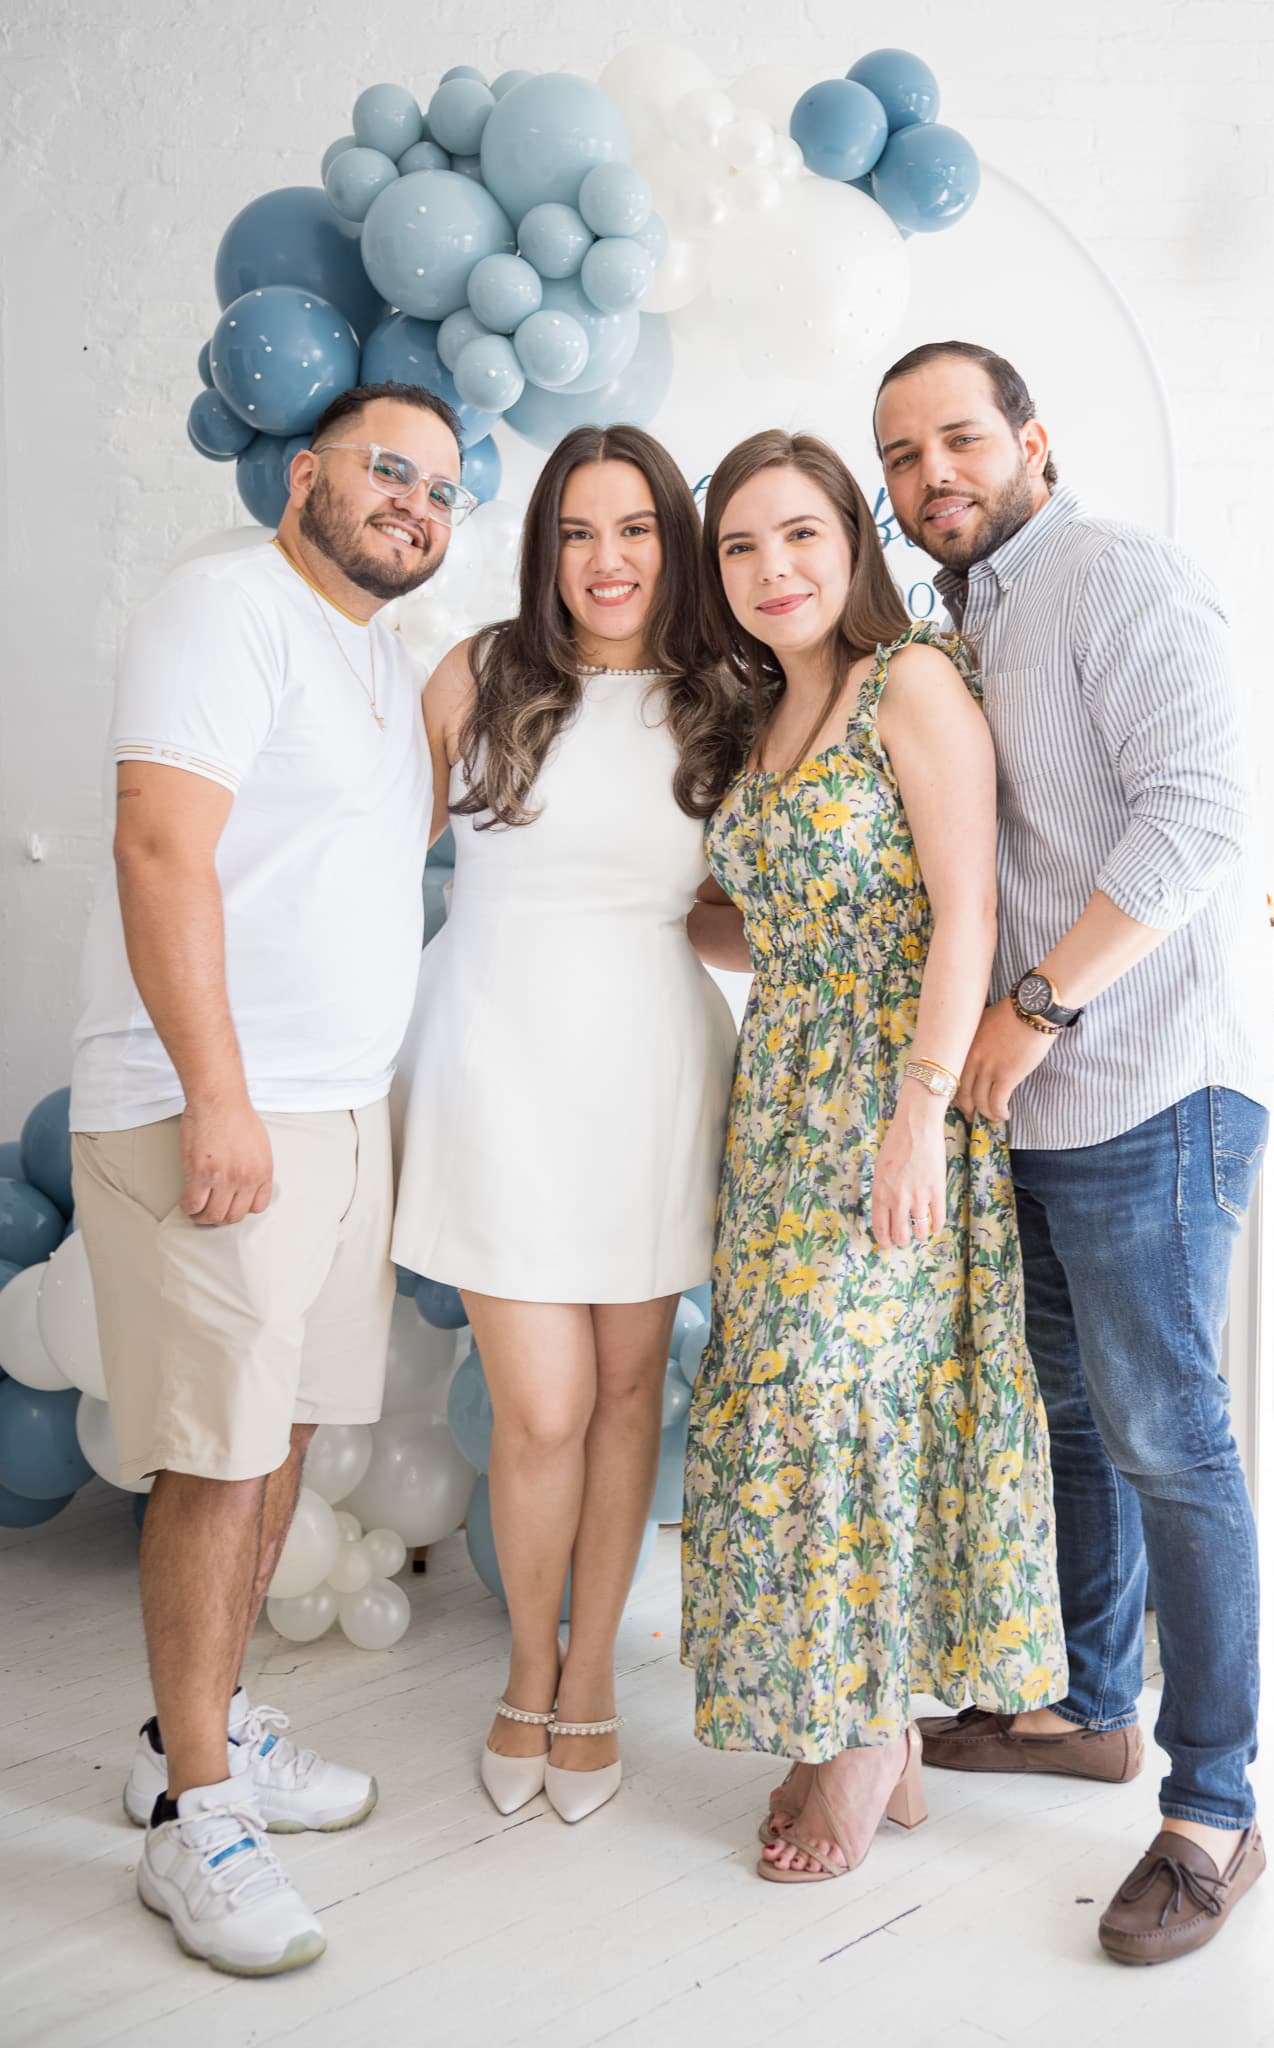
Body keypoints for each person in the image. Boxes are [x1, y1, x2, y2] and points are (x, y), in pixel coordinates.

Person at [875, 339, 1274, 1964]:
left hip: (1152, 1084)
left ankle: (1217, 1810)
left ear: (1035, 440)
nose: (931, 479)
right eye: (901, 459)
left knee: (1171, 1437)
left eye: (959, 441)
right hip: (1035, 1106)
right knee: (1074, 1421)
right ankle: (1086, 1708)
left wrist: (1034, 1007)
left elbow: (1198, 815)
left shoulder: (1118, 578)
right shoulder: (959, 621)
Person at [69, 382, 469, 1976]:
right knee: (217, 1464)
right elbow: (159, 848)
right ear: (305, 474)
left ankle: (202, 1737)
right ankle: (198, 1827)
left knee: (284, 1439)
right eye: (389, 471)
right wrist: (219, 1098)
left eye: (441, 491)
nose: (415, 507)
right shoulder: (221, 607)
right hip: (210, 1113)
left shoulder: (373, 657)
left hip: (333, 1118)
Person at [681, 429, 1067, 1886]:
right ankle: (850, 1714)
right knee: (779, 1417)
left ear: (852, 541)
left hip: (891, 1105)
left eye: (798, 535)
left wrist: (918, 1115)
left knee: (846, 1409)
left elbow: (963, 912)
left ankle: (860, 1732)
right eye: (739, 547)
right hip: (778, 1102)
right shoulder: (759, 715)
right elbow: (743, 916)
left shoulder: (906, 681)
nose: (772, 569)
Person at [393, 424, 743, 1825]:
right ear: (546, 550)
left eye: (637, 530)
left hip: (652, 1069)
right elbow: (372, 862)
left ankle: (590, 1674)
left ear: (672, 542)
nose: (608, 561)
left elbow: (725, 909)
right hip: (496, 1069)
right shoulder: (477, 674)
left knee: (621, 1400)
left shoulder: (721, 700)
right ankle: (524, 1673)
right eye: (579, 534)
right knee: (536, 1410)